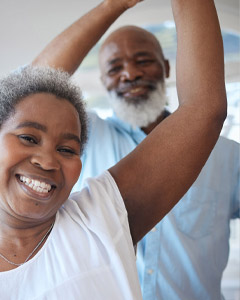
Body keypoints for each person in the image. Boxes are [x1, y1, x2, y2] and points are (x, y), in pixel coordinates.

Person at [0, 0, 227, 299]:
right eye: (28, 138)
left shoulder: (101, 220)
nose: (48, 159)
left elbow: (203, 110)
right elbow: (31, 85)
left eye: (68, 149)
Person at [32, 1, 240, 300]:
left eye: (143, 60)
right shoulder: (83, 138)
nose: (129, 74)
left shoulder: (228, 157)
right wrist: (114, 5)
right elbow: (29, 90)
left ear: (167, 68)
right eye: (115, 68)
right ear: (103, 81)